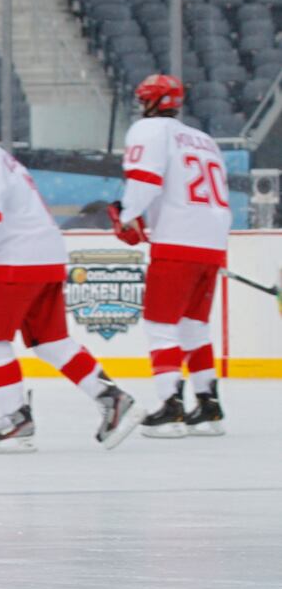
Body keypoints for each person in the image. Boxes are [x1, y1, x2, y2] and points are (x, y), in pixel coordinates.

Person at [0, 98, 144, 452]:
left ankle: (16, 419)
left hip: (17, 258)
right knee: (51, 342)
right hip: (46, 254)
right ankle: (112, 398)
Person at [108, 74, 231, 436]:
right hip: (211, 242)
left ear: (147, 102)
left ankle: (170, 406)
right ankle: (209, 405)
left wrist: (128, 214)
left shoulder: (150, 130)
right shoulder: (205, 139)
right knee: (195, 326)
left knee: (160, 325)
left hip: (178, 241)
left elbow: (145, 179)